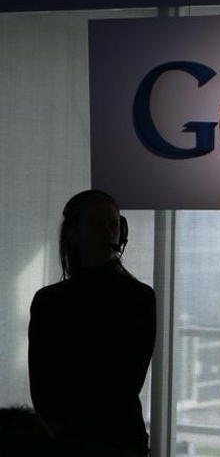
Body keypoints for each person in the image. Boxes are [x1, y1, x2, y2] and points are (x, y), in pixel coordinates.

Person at [28, 190, 156, 457]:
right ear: (73, 235)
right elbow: (41, 382)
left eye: (113, 225)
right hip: (85, 439)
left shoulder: (140, 297)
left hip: (105, 439)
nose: (108, 233)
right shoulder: (48, 301)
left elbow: (128, 380)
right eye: (97, 225)